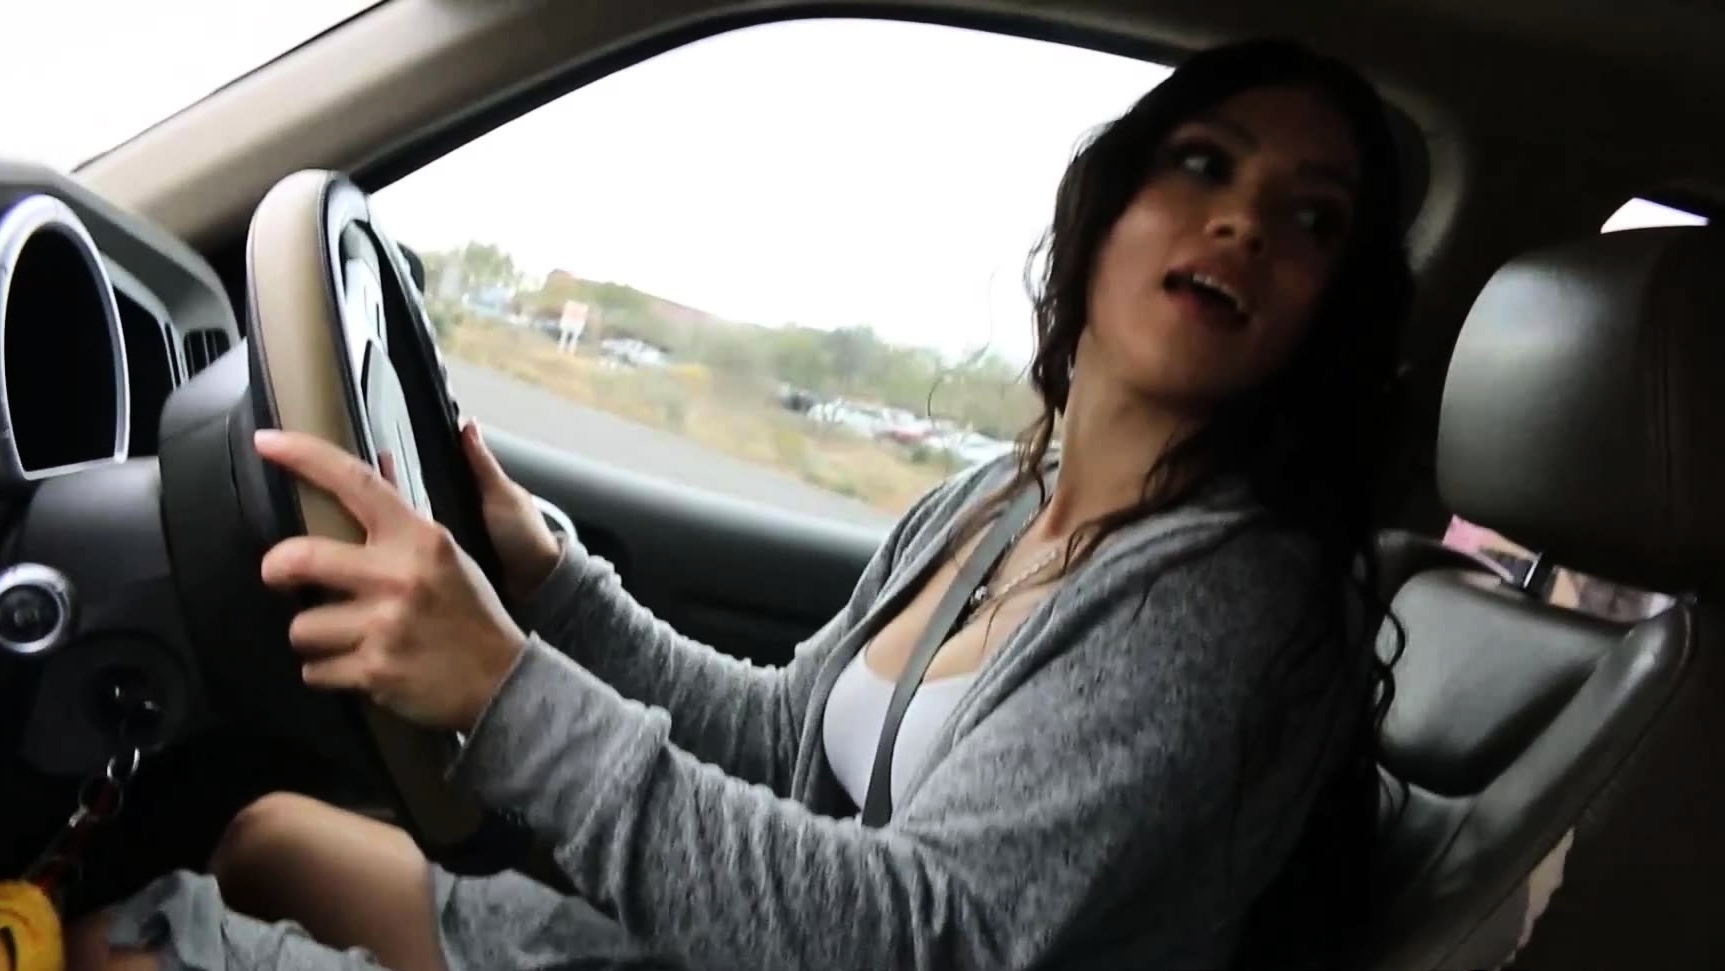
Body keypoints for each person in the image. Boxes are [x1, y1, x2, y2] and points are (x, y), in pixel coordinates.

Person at [70, 36, 1414, 971]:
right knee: (258, 840)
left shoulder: (1231, 600)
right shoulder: (996, 503)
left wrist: (503, 691)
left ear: (1327, 316)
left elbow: (919, 940)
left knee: (114, 947)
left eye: (1310, 220)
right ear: (1106, 208)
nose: (1241, 224)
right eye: (1201, 165)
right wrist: (547, 589)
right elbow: (786, 744)